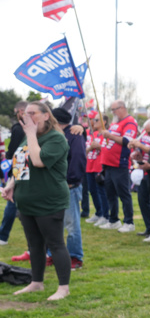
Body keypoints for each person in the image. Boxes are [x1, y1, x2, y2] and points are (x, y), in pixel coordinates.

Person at [2, 101, 71, 301]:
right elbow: (21, 163)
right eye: (25, 113)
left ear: (46, 115)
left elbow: (39, 161)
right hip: (27, 200)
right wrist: (11, 184)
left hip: (49, 201)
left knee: (55, 244)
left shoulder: (56, 139)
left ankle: (63, 288)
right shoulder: (28, 137)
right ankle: (36, 282)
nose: (27, 116)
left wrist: (31, 134)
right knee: (34, 245)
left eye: (32, 113)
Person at [53, 108, 86, 271]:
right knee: (53, 222)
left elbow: (79, 158)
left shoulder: (74, 134)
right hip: (54, 185)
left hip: (69, 186)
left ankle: (75, 257)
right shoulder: (55, 135)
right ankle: (51, 254)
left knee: (72, 223)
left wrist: (71, 181)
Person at [98, 100, 138, 232]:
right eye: (112, 109)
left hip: (119, 163)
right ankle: (113, 219)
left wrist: (110, 136)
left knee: (123, 193)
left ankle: (129, 221)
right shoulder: (115, 123)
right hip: (108, 164)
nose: (113, 112)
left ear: (122, 108)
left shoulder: (129, 122)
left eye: (114, 109)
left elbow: (127, 140)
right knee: (110, 193)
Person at [0, 101, 27, 246]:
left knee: (13, 203)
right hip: (22, 169)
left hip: (20, 168)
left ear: (21, 111)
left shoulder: (19, 129)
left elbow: (15, 151)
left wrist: (10, 168)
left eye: (16, 112)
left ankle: (3, 236)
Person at [83, 113, 110, 228]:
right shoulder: (91, 134)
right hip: (89, 165)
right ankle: (98, 213)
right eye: (93, 120)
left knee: (101, 191)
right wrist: (91, 147)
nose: (94, 122)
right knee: (92, 191)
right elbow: (85, 149)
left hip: (99, 166)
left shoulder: (106, 134)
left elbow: (109, 149)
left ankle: (105, 215)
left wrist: (99, 147)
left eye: (97, 120)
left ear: (104, 122)